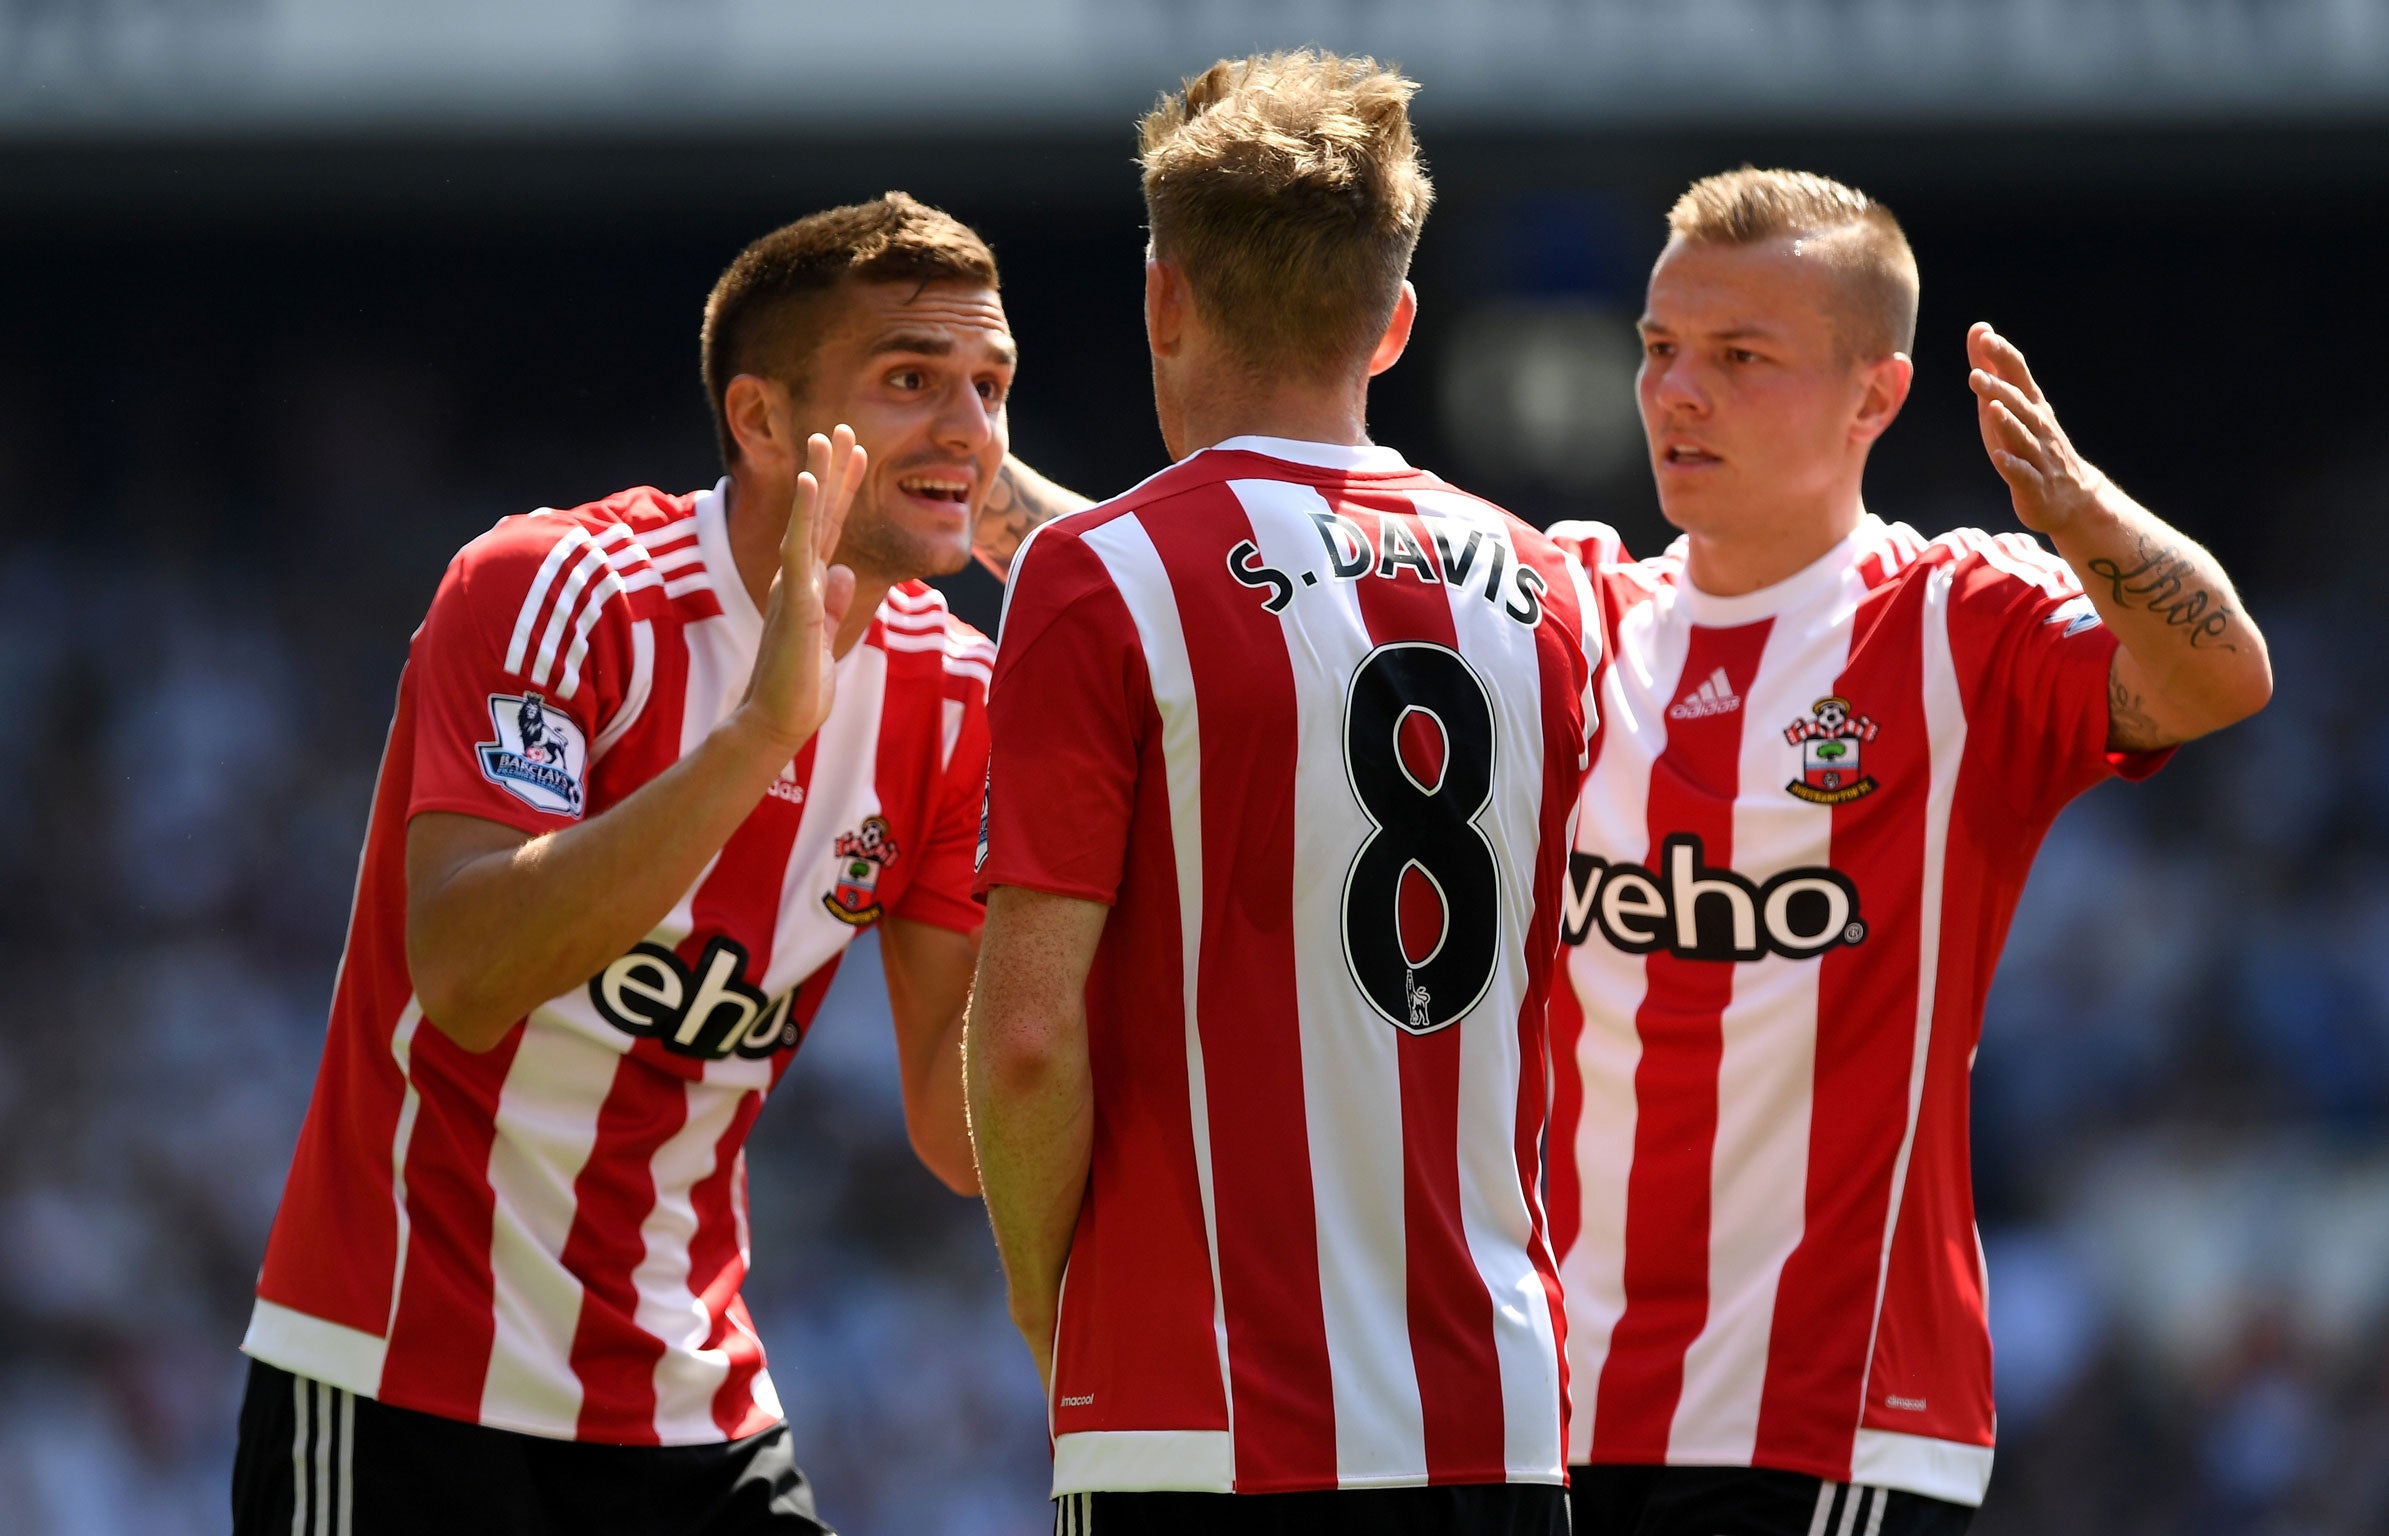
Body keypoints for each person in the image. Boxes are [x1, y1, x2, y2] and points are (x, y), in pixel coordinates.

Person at [231, 192, 1087, 1535]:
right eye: (911, 380)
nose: (970, 431)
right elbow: (462, 970)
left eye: (991, 387)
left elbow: (952, 1128)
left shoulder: (960, 700)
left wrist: (1100, 896)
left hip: (687, 1404)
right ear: (759, 421)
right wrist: (761, 736)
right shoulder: (554, 588)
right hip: (398, 1375)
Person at [1543, 169, 2273, 1535]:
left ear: (1872, 397)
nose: (1675, 393)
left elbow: (2219, 678)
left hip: (1824, 1420)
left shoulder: (1956, 621)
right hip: (1545, 1413)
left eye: (1738, 358)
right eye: (1658, 349)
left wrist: (2078, 512)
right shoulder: (1573, 610)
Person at [967, 51, 1611, 1536]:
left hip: (1196, 1419)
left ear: (1162, 300)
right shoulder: (1548, 589)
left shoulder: (1095, 581)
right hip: (1491, 1427)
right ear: (1392, 325)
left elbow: (1020, 1039)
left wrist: (1034, 1294)